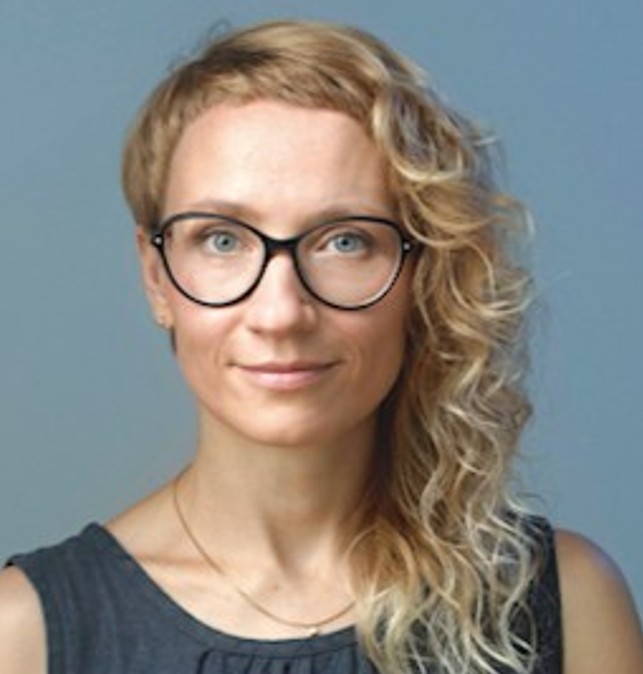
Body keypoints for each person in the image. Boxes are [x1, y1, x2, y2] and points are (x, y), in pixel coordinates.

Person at [0, 18, 641, 674]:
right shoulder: (23, 635)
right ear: (156, 276)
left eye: (345, 241)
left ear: (421, 273)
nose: (281, 313)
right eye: (222, 239)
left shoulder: (569, 602)